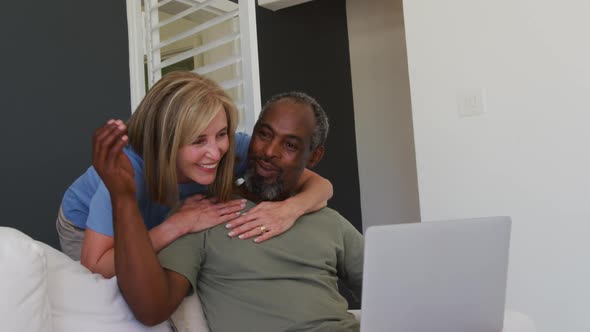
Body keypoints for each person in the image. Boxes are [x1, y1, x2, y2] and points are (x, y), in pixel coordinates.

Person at [95, 91, 364, 331]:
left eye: (290, 145)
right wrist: (124, 198)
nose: (270, 151)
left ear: (314, 157)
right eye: (264, 134)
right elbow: (151, 308)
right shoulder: (202, 216)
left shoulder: (328, 220)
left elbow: (394, 289)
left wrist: (291, 209)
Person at [56, 72, 333, 278]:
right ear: (166, 141)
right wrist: (177, 225)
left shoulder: (232, 149)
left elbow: (320, 185)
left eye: (221, 134)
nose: (215, 153)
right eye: (198, 141)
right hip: (86, 225)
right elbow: (96, 266)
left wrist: (288, 211)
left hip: (156, 216)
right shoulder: (126, 171)